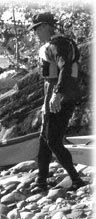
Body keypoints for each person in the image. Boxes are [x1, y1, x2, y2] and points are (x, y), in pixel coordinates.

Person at [28, 12, 86, 192]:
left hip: (61, 97)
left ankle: (76, 180)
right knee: (44, 139)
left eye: (37, 28)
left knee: (52, 140)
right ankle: (41, 181)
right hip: (55, 95)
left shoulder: (57, 45)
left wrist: (57, 94)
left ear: (45, 26)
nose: (35, 32)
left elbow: (65, 68)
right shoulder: (57, 44)